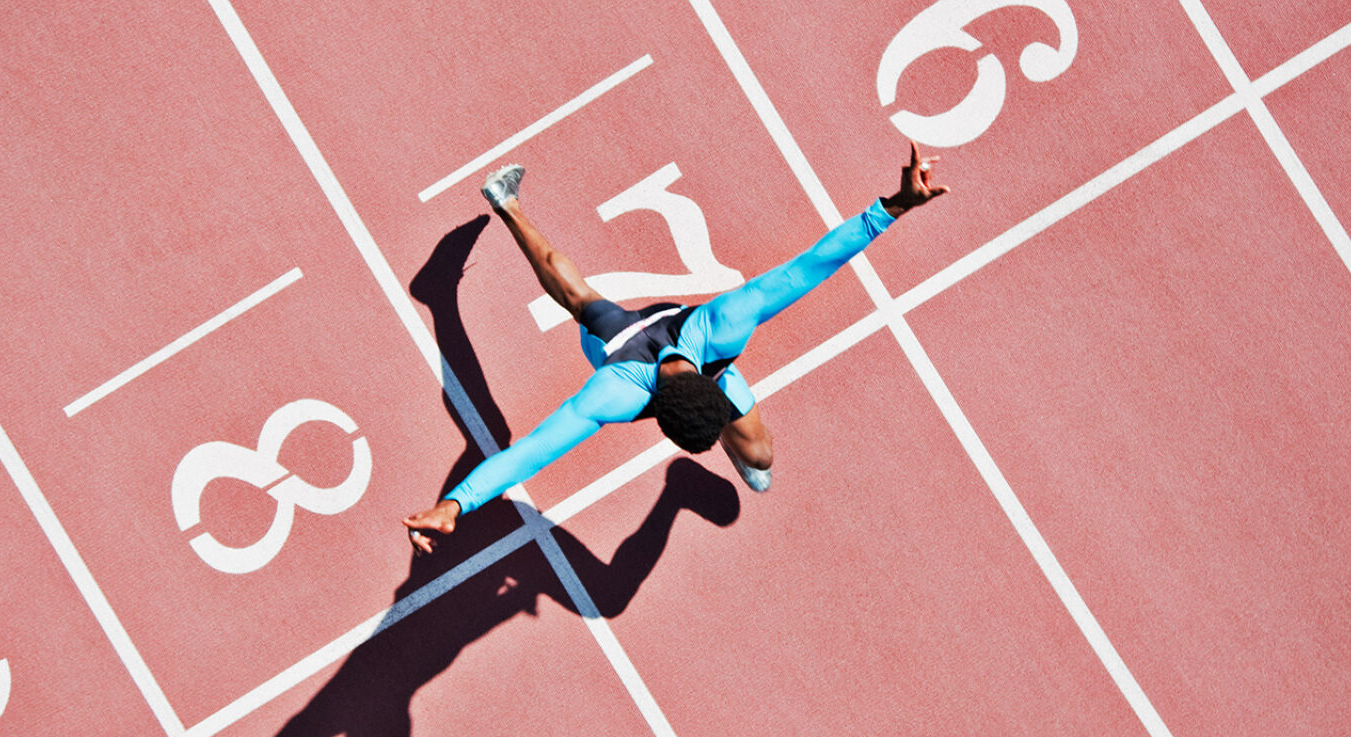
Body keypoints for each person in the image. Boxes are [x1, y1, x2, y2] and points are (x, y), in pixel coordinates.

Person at [403, 143, 950, 553]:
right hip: (618, 350)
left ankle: (495, 217)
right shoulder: (616, 389)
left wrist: (894, 207)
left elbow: (808, 268)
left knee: (756, 456)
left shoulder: (723, 328)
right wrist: (457, 503)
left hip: (673, 356)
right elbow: (531, 451)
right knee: (578, 299)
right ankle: (507, 203)